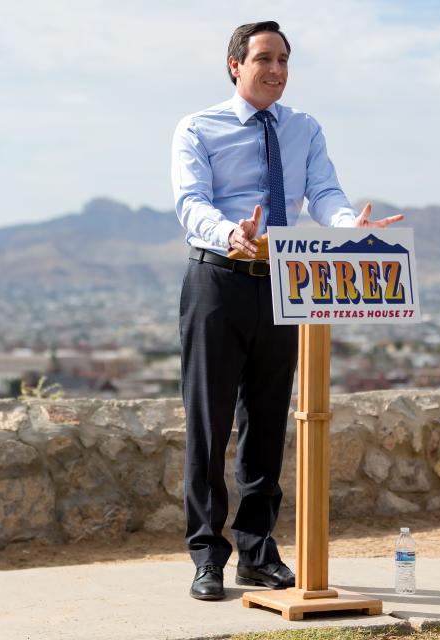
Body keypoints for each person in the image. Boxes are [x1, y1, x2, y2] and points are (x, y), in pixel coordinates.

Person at [171, 20, 403, 601]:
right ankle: (207, 557)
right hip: (218, 280)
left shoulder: (304, 128)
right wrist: (232, 234)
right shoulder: (198, 127)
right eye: (264, 59)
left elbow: (323, 192)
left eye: (284, 61)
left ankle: (256, 551)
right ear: (235, 65)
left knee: (267, 424)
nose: (276, 70)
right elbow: (190, 201)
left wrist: (353, 232)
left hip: (284, 283)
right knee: (208, 426)